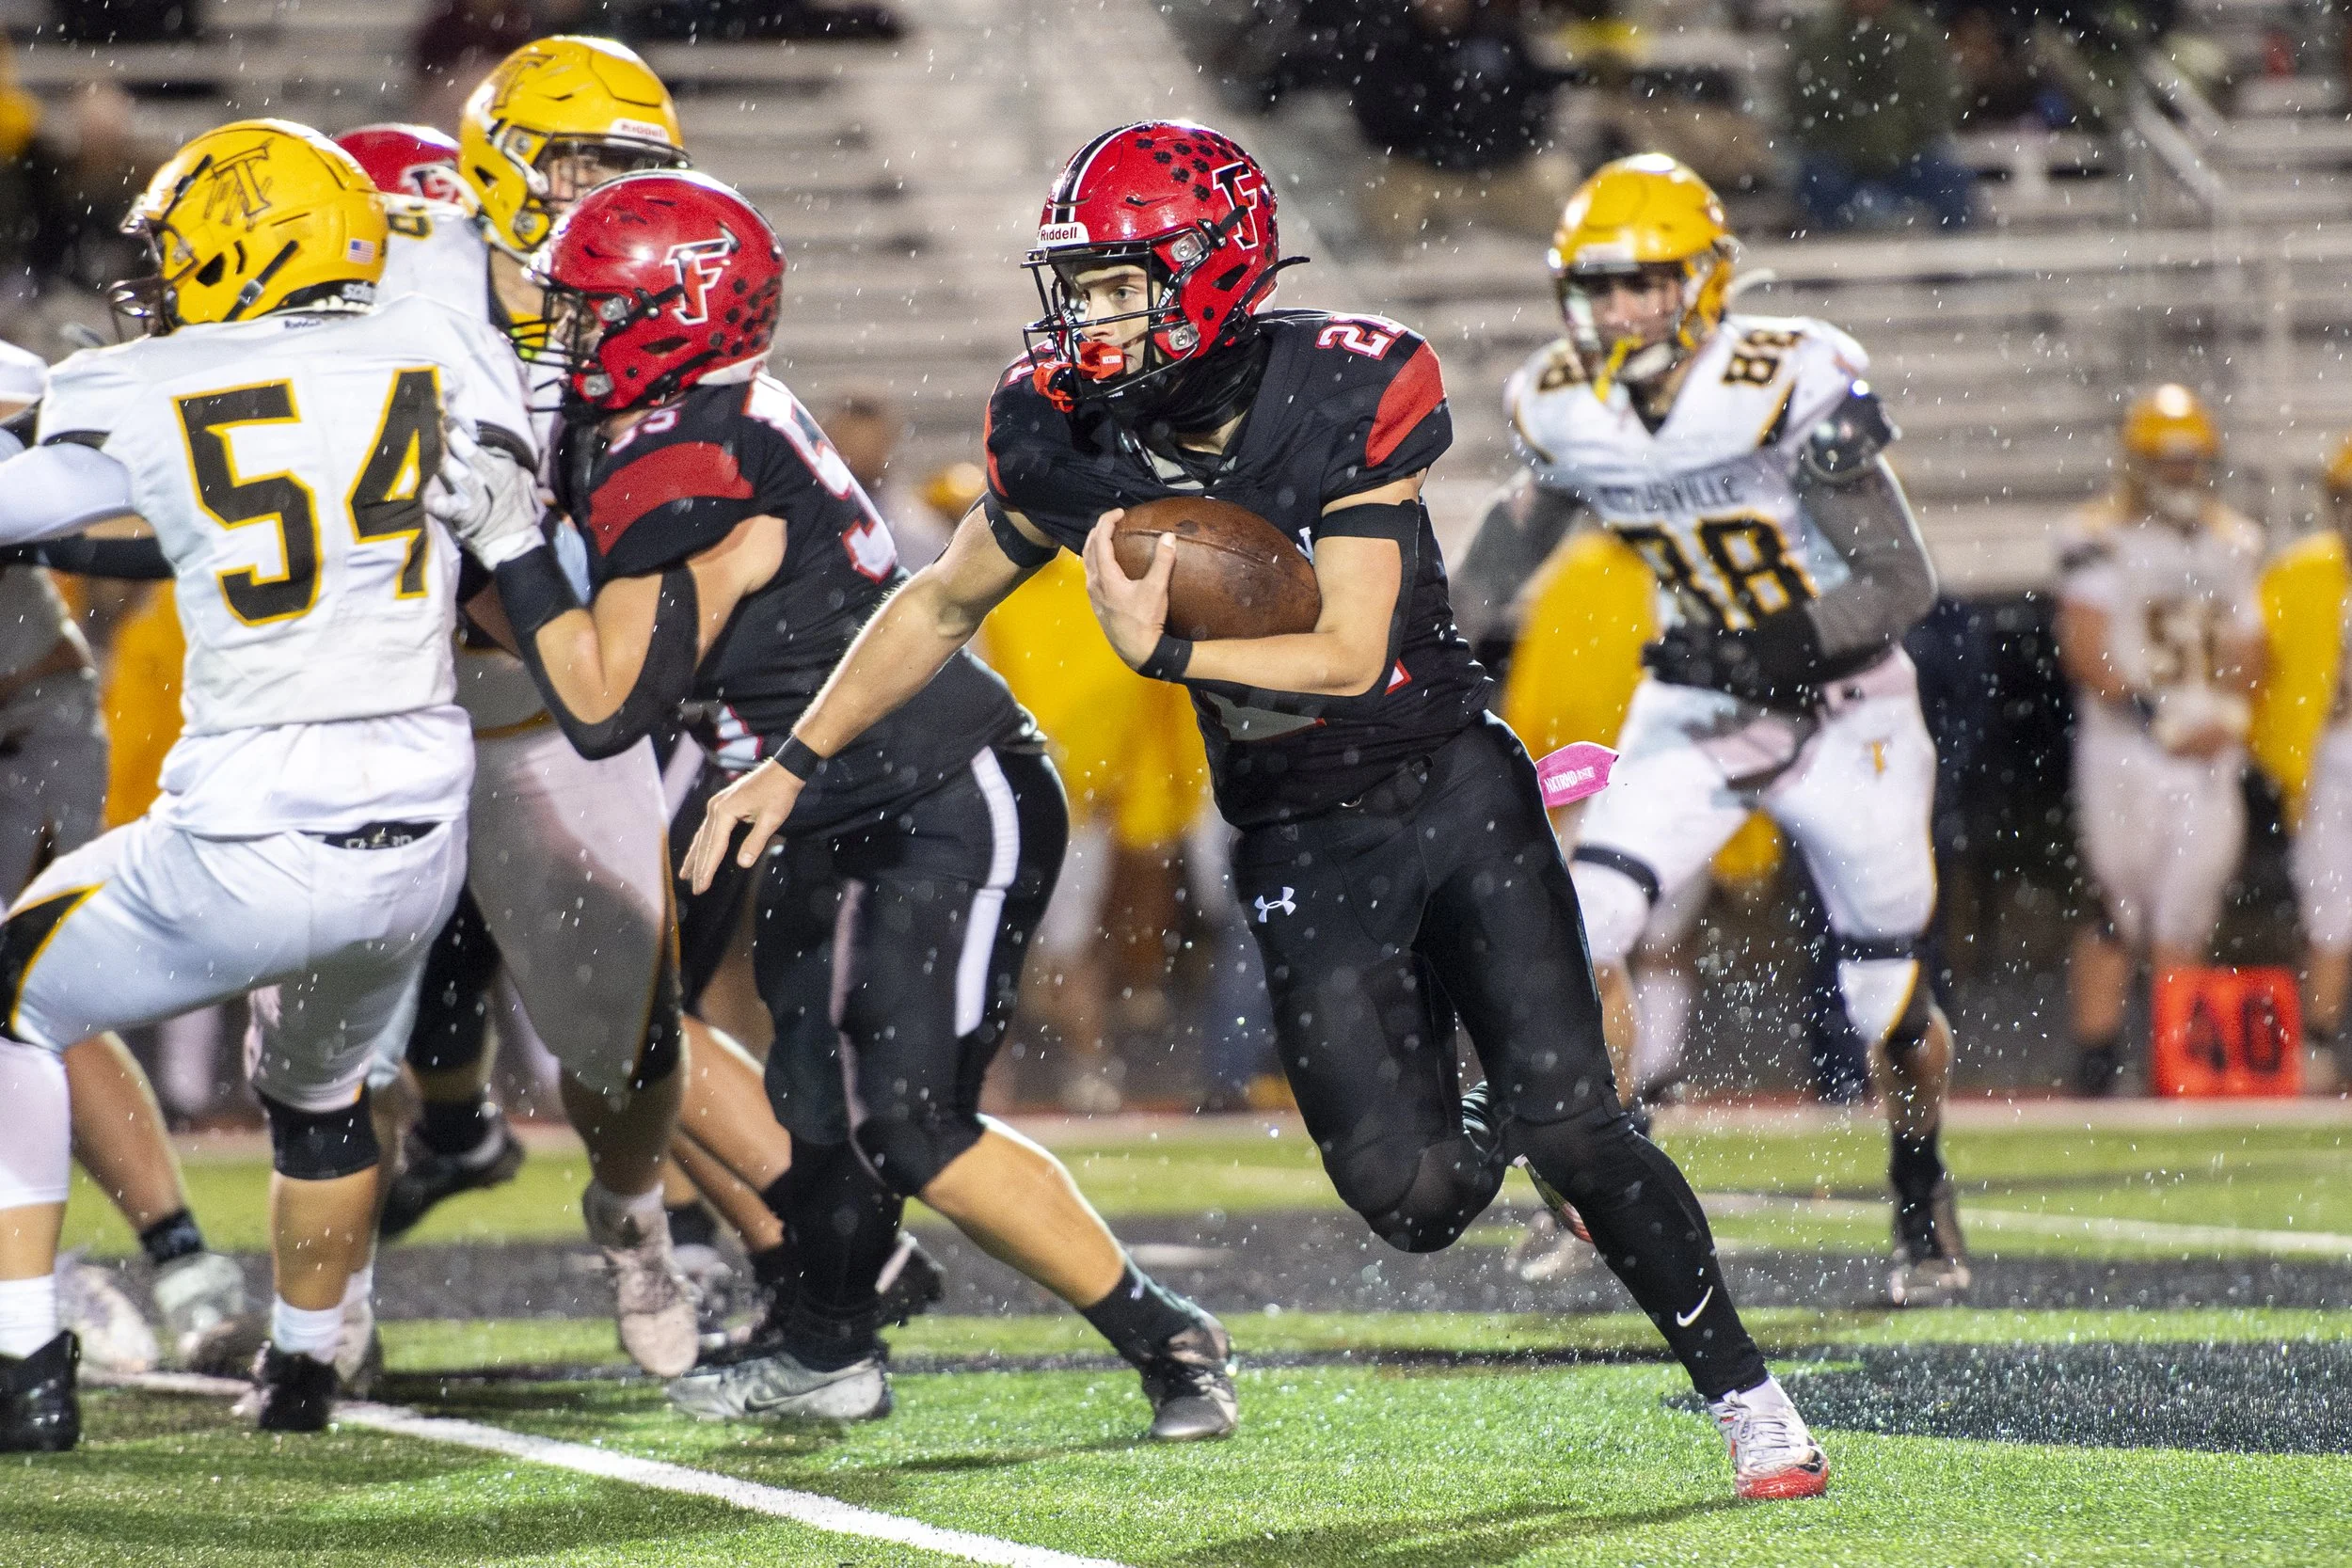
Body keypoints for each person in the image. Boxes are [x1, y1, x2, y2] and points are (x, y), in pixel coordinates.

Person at [683, 119, 1827, 1501]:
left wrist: (1168, 653)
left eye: (1117, 283)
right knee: (1405, 1200)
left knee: (1582, 1119)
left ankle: (1748, 1394)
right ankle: (1509, 1105)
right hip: (1295, 826)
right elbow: (937, 600)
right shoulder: (1068, 428)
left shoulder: (1347, 384)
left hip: (1448, 784)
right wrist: (787, 762)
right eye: (1081, 286)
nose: (1088, 317)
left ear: (1210, 269)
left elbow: (1347, 653)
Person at [437, 167, 1236, 1439]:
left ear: (672, 313)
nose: (568, 340)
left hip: (933, 789)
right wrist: (501, 561)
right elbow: (580, 643)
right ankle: (828, 1351)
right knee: (815, 1114)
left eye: (594, 312)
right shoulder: (685, 425)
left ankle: (1169, 1335)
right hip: (821, 796)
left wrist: (509, 546)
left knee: (910, 1123)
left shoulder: (684, 450)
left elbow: (601, 701)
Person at [0, 119, 535, 1445]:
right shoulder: (444, 350)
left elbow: (32, 495)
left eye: (183, 251)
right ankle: (304, 1368)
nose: (165, 277)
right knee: (316, 1091)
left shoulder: (152, 378)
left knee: (8, 997)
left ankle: (22, 1361)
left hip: (246, 834)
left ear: (248, 249)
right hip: (417, 840)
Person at [1498, 154, 1967, 1308]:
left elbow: (1901, 580)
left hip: (1846, 708)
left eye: (1645, 284)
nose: (1619, 312)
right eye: (1599, 288)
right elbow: (1504, 555)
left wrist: (1771, 647)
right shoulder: (1569, 403)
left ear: (1704, 279)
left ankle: (1918, 1183)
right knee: (1577, 925)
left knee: (1883, 1002)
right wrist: (1403, 645)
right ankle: (1602, 1178)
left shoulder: (1785, 374)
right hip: (1697, 702)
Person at [2056, 386, 2264, 1096]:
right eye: (2168, 462)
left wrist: (2227, 720)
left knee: (2185, 912)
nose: (2182, 475)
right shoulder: (2097, 533)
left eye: (2191, 461)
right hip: (2126, 747)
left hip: (2205, 748)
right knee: (2115, 906)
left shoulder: (2234, 539)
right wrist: (2159, 721)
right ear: (2138, 461)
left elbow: (2251, 650)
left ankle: (2174, 1066)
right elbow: (2085, 646)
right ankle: (2096, 1065)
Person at [2251, 435, 2352, 1087]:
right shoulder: (2299, 573)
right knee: (2330, 908)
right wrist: (2281, 756)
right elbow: (2259, 673)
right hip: (2333, 754)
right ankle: (2318, 1046)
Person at [1342, 0, 1578, 245]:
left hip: (1500, 175)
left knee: (1558, 183)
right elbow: (1376, 115)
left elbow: (1533, 99)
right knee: (1381, 194)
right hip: (1424, 175)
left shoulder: (1498, 34)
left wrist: (1498, 146)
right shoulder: (1393, 42)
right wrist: (1431, 143)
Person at [1787, 0, 1977, 233]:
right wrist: (1854, 145)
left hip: (1909, 154)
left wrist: (1895, 142)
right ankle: (1831, 262)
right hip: (1839, 159)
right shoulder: (1819, 38)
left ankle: (1952, 262)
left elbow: (1937, 103)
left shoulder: (1918, 35)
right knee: (1817, 181)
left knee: (1951, 182)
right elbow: (1805, 109)